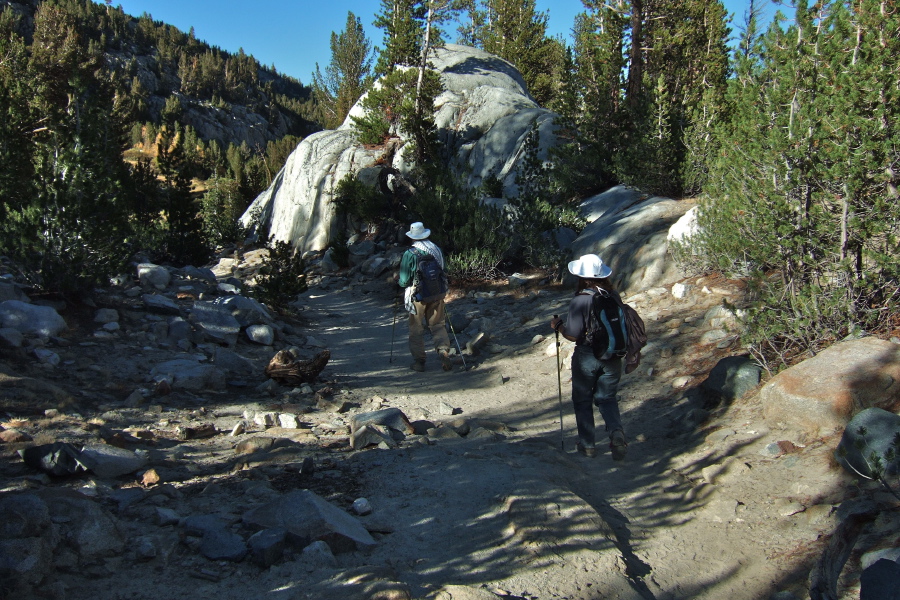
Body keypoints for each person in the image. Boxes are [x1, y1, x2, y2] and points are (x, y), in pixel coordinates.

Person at [550, 254, 628, 460]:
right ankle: (616, 432)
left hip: (587, 355)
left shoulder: (580, 300)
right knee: (607, 398)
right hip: (613, 355)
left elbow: (573, 334)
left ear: (582, 277)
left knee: (582, 399)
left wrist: (558, 325)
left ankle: (588, 445)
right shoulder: (613, 296)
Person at [398, 222, 452, 372]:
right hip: (437, 293)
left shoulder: (410, 254)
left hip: (418, 296)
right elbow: (443, 270)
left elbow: (404, 281)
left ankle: (419, 362)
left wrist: (401, 284)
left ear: (412, 236)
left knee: (416, 328)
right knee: (438, 324)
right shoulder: (436, 249)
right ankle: (443, 351)